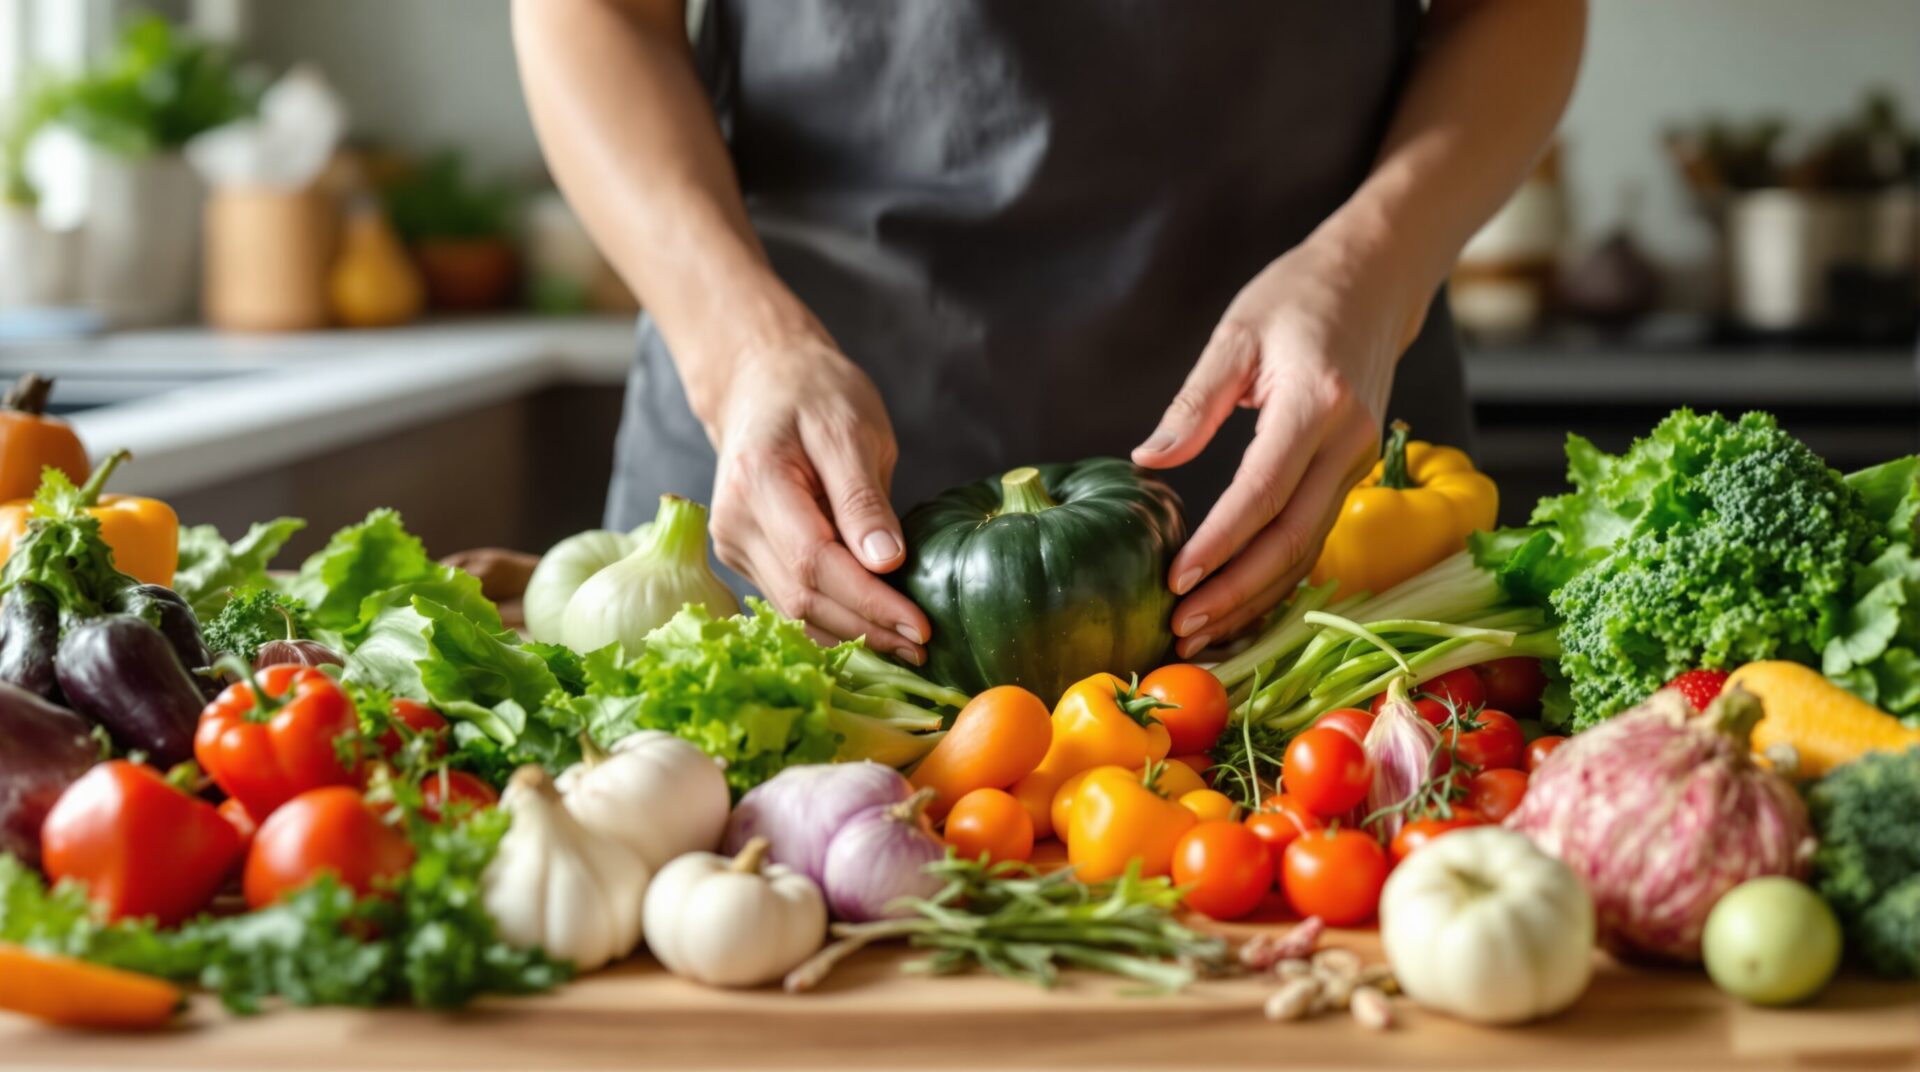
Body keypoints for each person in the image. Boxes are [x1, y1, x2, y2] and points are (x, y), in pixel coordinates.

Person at [510, 0, 1586, 665]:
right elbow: (591, 13)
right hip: (788, 474)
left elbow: (1517, 8)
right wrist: (743, 346)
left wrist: (1370, 264)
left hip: (1312, 482)